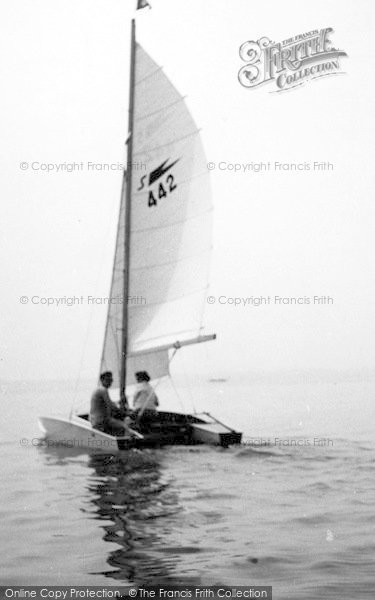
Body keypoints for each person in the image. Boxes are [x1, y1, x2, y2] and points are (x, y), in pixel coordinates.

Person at [90, 371, 127, 436]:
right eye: (108, 380)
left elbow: (108, 403)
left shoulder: (98, 390)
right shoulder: (102, 390)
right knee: (124, 426)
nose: (110, 382)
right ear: (102, 380)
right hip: (100, 422)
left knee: (118, 422)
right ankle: (120, 443)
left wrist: (118, 403)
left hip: (96, 420)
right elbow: (111, 405)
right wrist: (125, 413)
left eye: (111, 380)